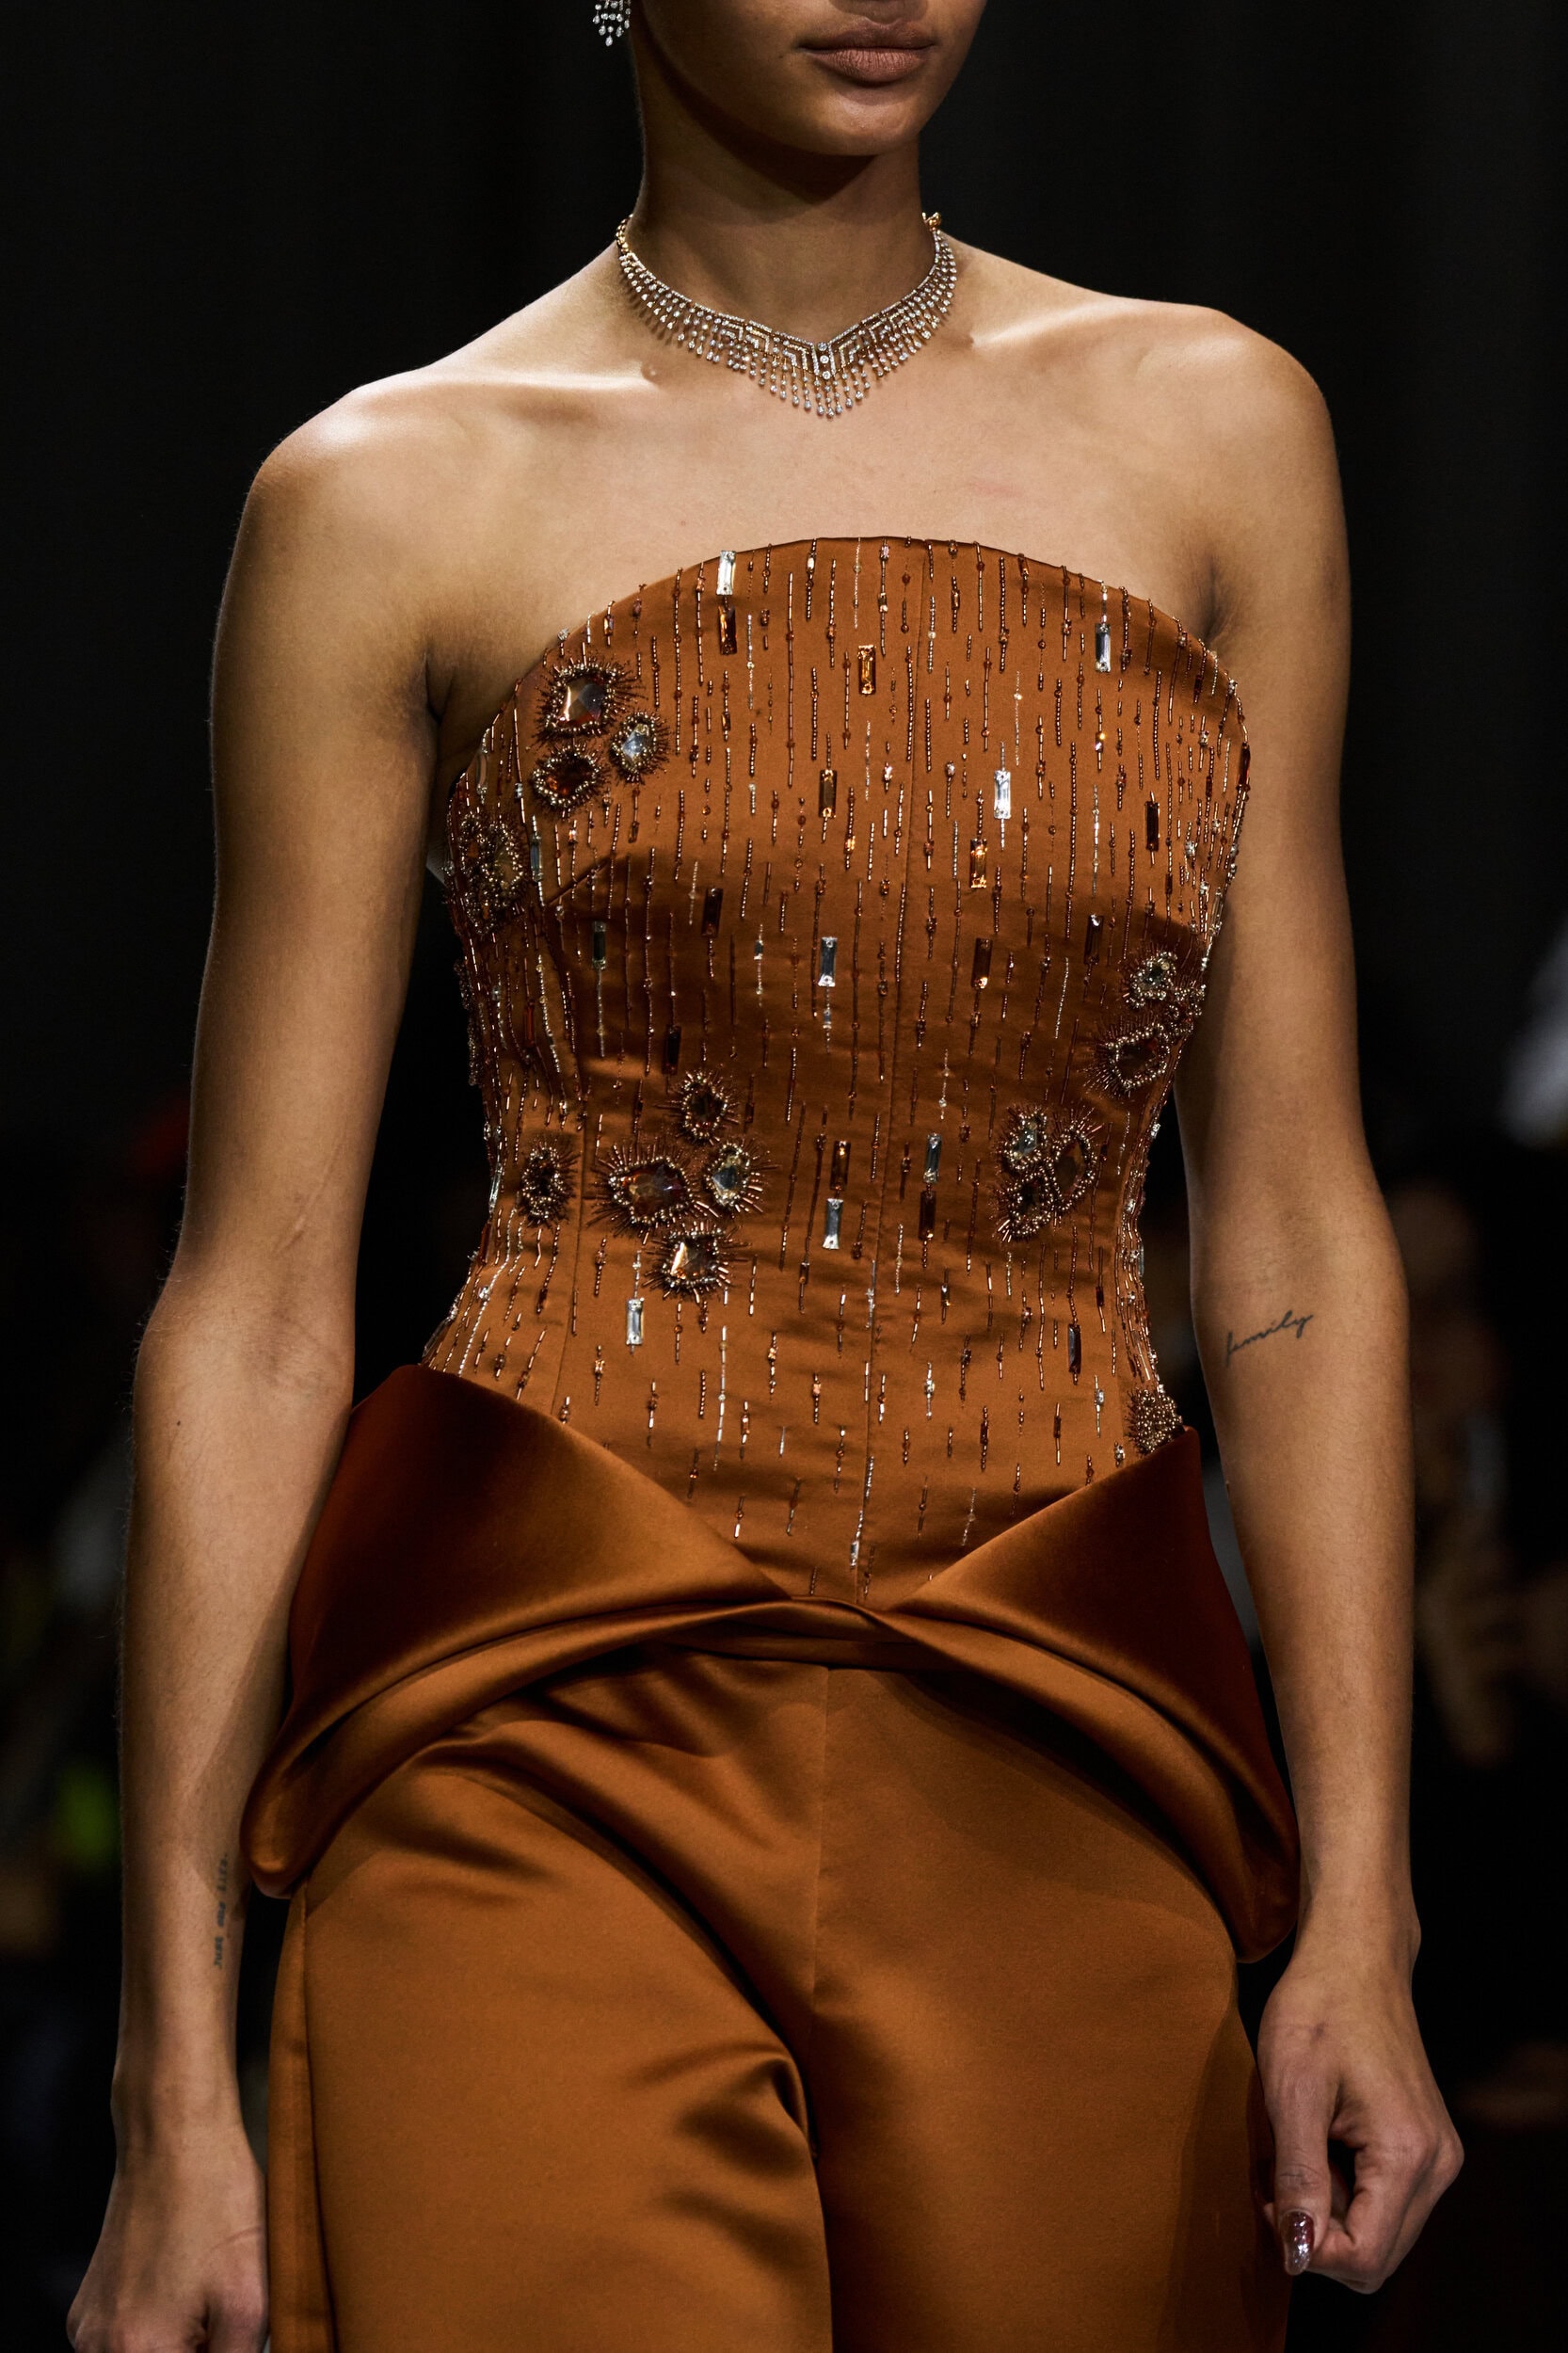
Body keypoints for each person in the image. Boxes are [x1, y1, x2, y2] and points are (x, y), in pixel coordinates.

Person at [70, 4, 1462, 2347]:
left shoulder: (1216, 429)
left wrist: (1365, 1914)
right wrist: (165, 2071)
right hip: (540, 1731)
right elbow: (256, 1301)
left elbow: (1293, 1231)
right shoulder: (394, 491)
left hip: (1063, 1719)